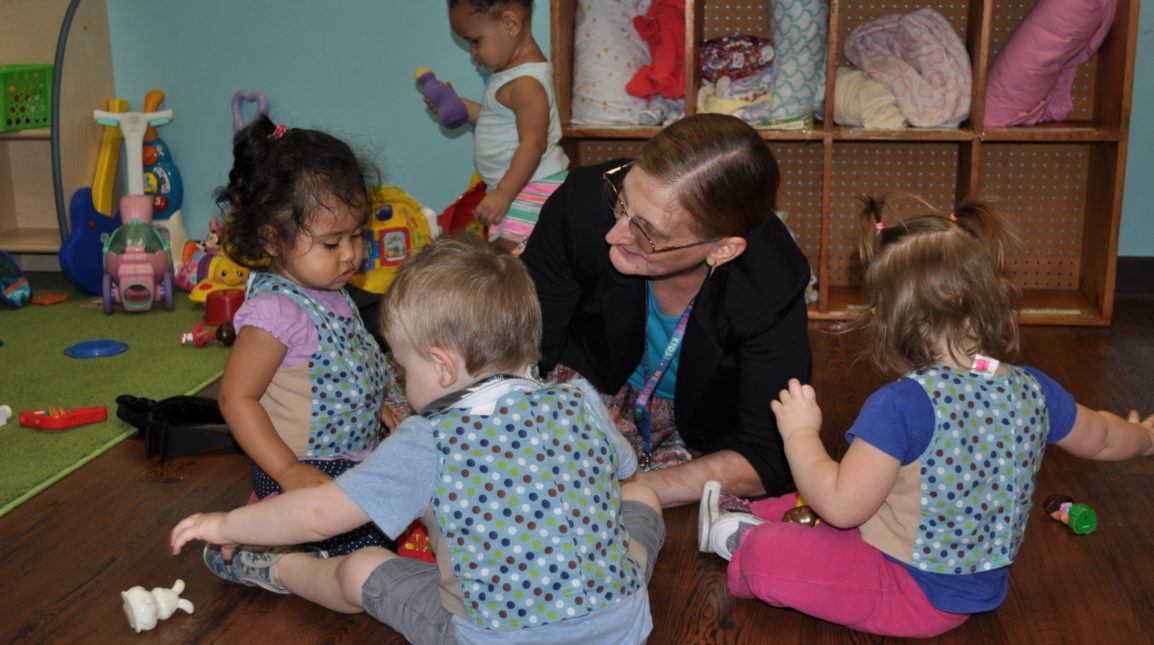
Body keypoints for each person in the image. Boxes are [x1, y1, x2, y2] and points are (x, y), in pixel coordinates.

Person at [170, 235, 665, 645]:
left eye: (404, 368)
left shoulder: (432, 438)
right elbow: (624, 472)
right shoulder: (580, 398)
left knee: (361, 567)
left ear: (443, 365)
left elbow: (317, 514)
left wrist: (229, 524)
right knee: (641, 493)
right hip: (620, 627)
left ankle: (279, 570)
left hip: (489, 637)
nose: (402, 382)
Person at [698, 194, 1154, 638]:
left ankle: (745, 538)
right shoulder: (1034, 387)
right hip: (972, 583)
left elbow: (840, 507)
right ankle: (749, 512)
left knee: (770, 554)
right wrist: (1144, 437)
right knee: (821, 491)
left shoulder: (901, 404)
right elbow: (1105, 439)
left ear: (888, 320)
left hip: (912, 592)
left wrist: (800, 434)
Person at [520, 113, 813, 508]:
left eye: (649, 233)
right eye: (621, 201)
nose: (615, 234)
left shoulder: (770, 282)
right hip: (590, 380)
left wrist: (621, 492)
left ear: (721, 250)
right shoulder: (582, 202)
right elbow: (520, 352)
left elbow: (769, 456)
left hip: (698, 424)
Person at [214, 114, 391, 556]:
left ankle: (266, 526)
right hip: (303, 465)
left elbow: (347, 360)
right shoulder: (275, 311)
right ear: (273, 240)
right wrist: (288, 471)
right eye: (332, 244)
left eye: (357, 236)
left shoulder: (331, 290)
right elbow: (236, 399)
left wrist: (377, 402)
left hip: (352, 457)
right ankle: (264, 542)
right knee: (366, 548)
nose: (350, 254)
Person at [443, 0, 569, 253]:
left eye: (475, 40)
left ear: (511, 24)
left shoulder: (525, 84)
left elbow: (533, 144)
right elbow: (495, 121)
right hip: (518, 187)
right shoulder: (511, 76)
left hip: (532, 187)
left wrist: (502, 194)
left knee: (509, 261)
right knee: (505, 261)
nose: (472, 51)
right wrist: (459, 107)